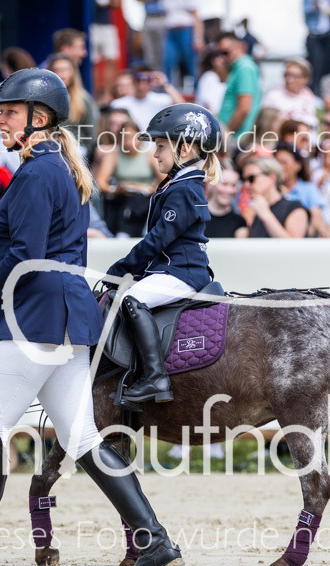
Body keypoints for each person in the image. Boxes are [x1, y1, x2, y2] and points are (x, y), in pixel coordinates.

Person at [0, 68, 185, 566]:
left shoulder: (37, 174)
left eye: (9, 112)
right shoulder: (55, 168)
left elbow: (25, 258)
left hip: (32, 319)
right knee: (81, 437)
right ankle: (155, 543)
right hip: (64, 321)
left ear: (39, 119)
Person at [104, 103, 222, 398]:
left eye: (160, 146)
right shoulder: (177, 185)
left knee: (132, 299)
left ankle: (156, 378)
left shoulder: (184, 189)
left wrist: (121, 269)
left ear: (183, 150)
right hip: (172, 269)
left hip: (182, 272)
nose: (154, 154)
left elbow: (156, 240)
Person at [96, 114, 159, 238]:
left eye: (132, 138)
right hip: (120, 197)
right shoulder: (114, 154)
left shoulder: (149, 154)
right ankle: (122, 233)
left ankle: (126, 233)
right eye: (124, 138)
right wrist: (114, 190)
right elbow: (100, 183)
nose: (128, 142)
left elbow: (165, 179)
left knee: (137, 201)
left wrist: (153, 189)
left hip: (143, 199)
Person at [235, 156, 309, 239]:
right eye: (244, 180)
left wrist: (265, 214)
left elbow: (293, 246)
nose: (246, 185)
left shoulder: (294, 207)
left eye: (251, 178)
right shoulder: (254, 211)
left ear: (271, 178)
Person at [49, 55, 98, 153]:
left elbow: (91, 135)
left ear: (73, 73)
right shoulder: (43, 99)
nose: (61, 74)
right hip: (49, 149)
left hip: (76, 152)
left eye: (65, 70)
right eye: (57, 70)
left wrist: (82, 151)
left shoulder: (83, 99)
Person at [275, 144, 326, 238]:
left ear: (297, 165)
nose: (280, 167)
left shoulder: (309, 189)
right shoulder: (271, 190)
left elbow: (317, 218)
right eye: (277, 162)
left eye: (284, 162)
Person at [110, 65, 181, 130]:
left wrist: (165, 84)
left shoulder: (160, 100)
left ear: (152, 82)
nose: (142, 84)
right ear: (133, 81)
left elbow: (182, 107)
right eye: (138, 80)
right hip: (130, 142)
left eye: (147, 80)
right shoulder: (118, 104)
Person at [217, 32, 262, 137]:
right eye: (219, 53)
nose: (222, 58)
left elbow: (244, 108)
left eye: (225, 52)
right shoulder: (238, 68)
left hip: (236, 137)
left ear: (239, 46)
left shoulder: (244, 68)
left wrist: (227, 135)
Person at [262, 58, 322, 132]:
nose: (289, 80)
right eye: (287, 75)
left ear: (306, 78)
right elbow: (267, 127)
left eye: (294, 76)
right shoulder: (273, 97)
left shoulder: (311, 98)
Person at [204, 165, 244, 237]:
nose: (229, 190)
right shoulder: (195, 217)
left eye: (233, 185)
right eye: (224, 184)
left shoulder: (239, 222)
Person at [194, 44, 228, 115]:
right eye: (223, 55)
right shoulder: (210, 77)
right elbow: (209, 107)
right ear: (214, 61)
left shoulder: (221, 78)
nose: (226, 58)